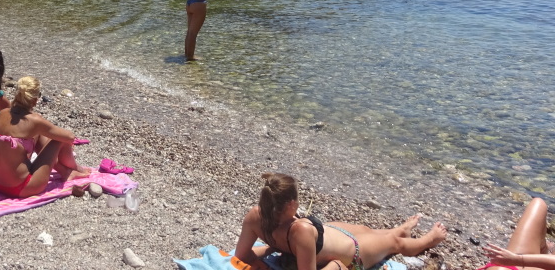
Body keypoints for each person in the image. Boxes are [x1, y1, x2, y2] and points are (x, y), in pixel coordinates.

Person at [235, 173, 447, 270]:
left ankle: (401, 227)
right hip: (351, 254)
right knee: (395, 243)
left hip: (331, 234)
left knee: (367, 229)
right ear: (291, 204)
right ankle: (430, 239)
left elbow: (242, 255)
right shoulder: (299, 230)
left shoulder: (255, 215)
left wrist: (269, 250)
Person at [0, 76, 90, 198]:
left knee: (38, 134)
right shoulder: (34, 121)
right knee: (58, 139)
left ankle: (67, 171)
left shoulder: (2, 113)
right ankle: (73, 170)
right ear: (35, 100)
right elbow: (69, 137)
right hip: (21, 188)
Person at [481, 198, 555, 270]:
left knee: (538, 204)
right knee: (538, 204)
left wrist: (518, 259)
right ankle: (544, 250)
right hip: (512, 264)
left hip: (509, 265)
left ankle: (545, 252)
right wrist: (518, 260)